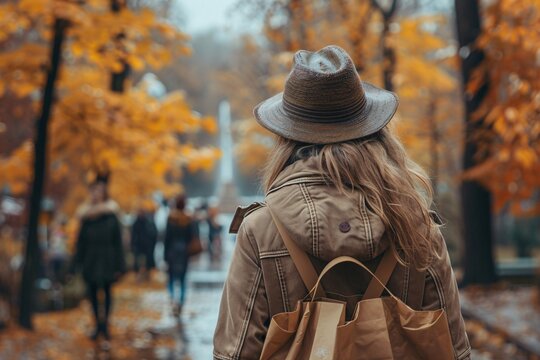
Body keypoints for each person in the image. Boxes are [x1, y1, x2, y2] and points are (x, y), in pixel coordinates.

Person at [213, 46, 471, 359]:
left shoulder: (261, 231)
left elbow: (235, 353)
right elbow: (454, 350)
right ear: (373, 131)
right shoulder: (416, 227)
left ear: (287, 137)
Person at [73, 173, 126, 341]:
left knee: (108, 292)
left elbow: (118, 242)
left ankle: (105, 325)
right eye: (93, 191)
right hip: (91, 260)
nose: (96, 194)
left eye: (99, 191)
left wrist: (120, 265)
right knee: (93, 294)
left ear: (104, 194)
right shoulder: (86, 218)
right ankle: (97, 325)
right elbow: (80, 243)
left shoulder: (111, 216)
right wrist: (76, 264)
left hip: (108, 260)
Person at [164, 194, 198, 316]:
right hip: (184, 252)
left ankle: (173, 300)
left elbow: (166, 238)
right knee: (183, 279)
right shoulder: (188, 219)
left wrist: (165, 255)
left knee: (171, 278)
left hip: (172, 252)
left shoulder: (170, 218)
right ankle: (181, 302)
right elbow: (192, 236)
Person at [131, 203, 158, 280]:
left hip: (147, 246)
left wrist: (151, 243)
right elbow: (133, 235)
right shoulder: (136, 223)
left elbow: (154, 233)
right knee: (138, 262)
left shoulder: (149, 222)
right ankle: (139, 276)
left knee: (148, 262)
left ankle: (146, 275)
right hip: (138, 246)